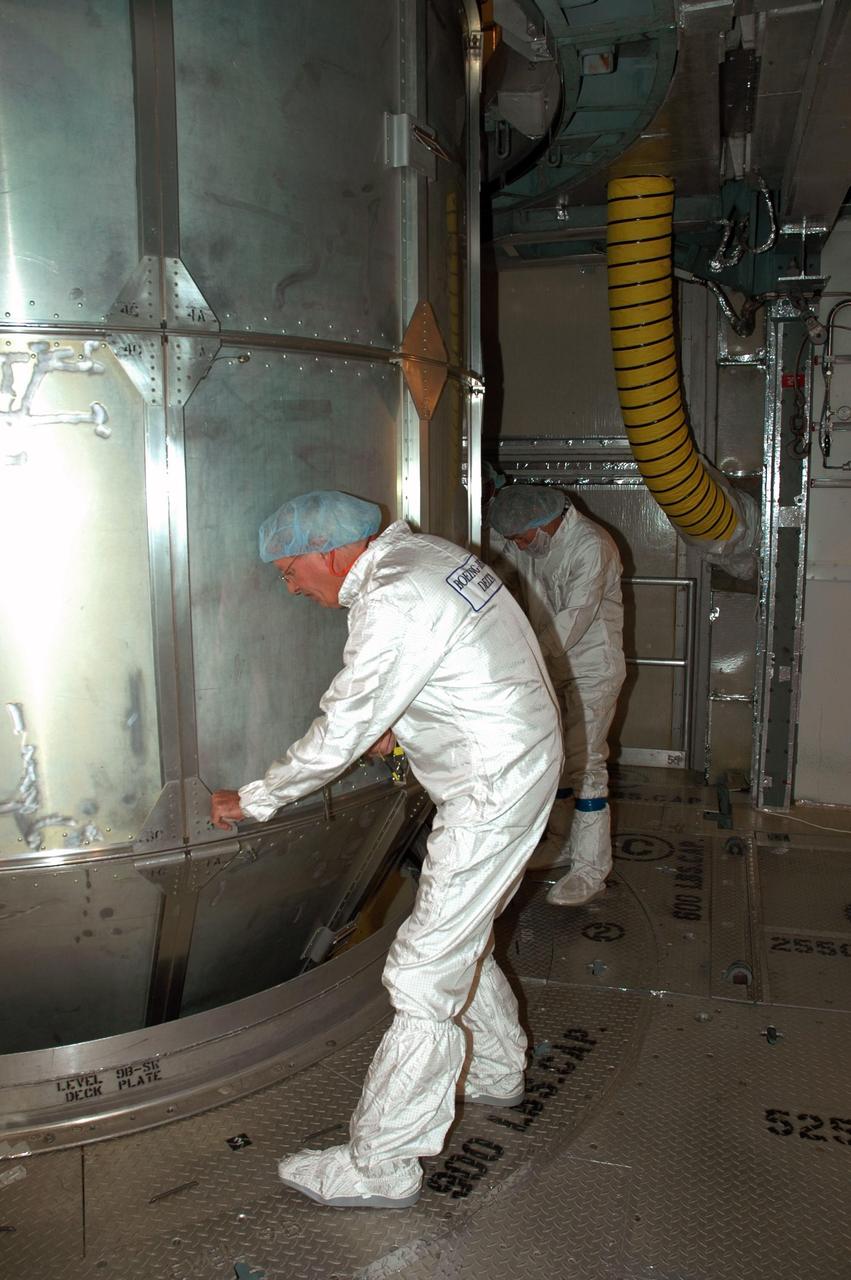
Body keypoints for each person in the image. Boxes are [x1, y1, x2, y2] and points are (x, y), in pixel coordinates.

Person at [211, 490, 562, 1210]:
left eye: (289, 571)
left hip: (491, 786)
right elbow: (460, 655)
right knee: (456, 936)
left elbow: (342, 726)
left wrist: (254, 798)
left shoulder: (394, 596)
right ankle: (496, 1068)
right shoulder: (424, 557)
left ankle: (382, 1164)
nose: (291, 587)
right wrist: (402, 721)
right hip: (514, 759)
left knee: (422, 973)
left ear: (327, 552)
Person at [488, 484, 625, 908]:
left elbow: (573, 619)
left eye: (522, 538)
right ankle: (561, 844)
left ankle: (590, 869)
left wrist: (523, 660)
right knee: (556, 756)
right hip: (550, 664)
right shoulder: (530, 541)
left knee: (586, 762)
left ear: (545, 522)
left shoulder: (591, 546)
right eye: (512, 540)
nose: (518, 546)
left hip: (591, 667)